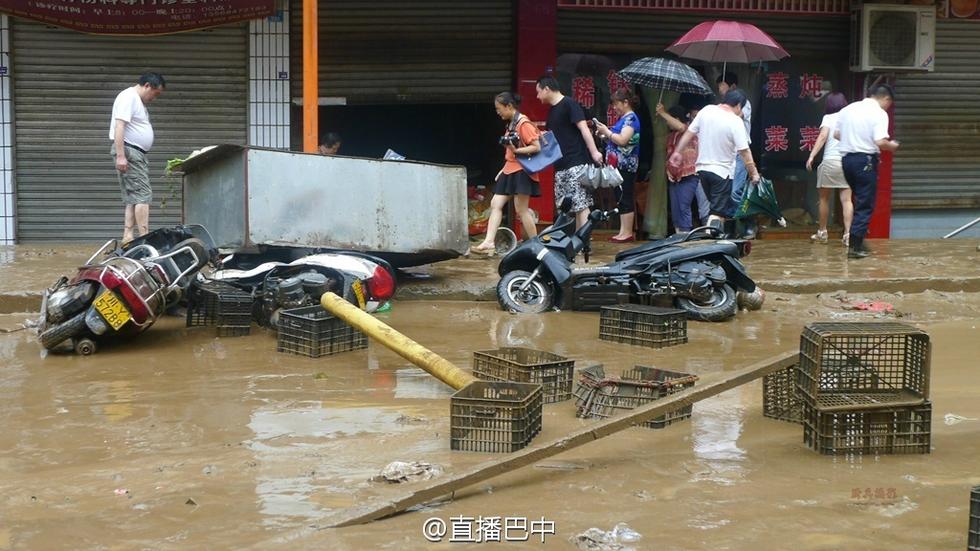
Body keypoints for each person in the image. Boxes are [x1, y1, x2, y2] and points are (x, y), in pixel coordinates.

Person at [669, 90, 761, 231]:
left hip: (702, 171)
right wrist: (753, 173)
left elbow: (689, 133)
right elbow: (745, 151)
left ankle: (719, 238)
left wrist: (677, 152)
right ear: (737, 106)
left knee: (719, 209)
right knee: (716, 213)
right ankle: (711, 239)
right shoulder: (735, 121)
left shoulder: (706, 111)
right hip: (722, 173)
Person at [470, 92, 542, 255]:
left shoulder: (523, 123)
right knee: (496, 203)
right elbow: (511, 153)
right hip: (510, 169)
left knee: (521, 209)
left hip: (522, 171)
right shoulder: (511, 124)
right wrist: (503, 169)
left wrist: (516, 151)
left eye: (499, 108)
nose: (498, 112)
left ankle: (536, 245)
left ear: (509, 106)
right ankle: (489, 242)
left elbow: (536, 146)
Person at [836, 83, 900, 259]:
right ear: (886, 99)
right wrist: (892, 146)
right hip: (865, 161)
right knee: (865, 203)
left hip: (846, 161)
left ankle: (859, 239)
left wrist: (853, 137)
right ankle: (855, 246)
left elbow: (836, 135)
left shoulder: (848, 109)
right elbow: (880, 142)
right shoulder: (879, 113)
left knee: (859, 199)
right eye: (889, 103)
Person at [535, 76, 604, 229]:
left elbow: (584, 129)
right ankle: (573, 242)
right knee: (565, 205)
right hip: (560, 165)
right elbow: (551, 138)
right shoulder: (552, 111)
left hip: (576, 162)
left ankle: (583, 242)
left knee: (581, 204)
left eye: (538, 92)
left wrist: (594, 153)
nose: (537, 96)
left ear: (547, 89)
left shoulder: (569, 104)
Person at [110, 72, 165, 242]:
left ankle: (128, 236)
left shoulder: (135, 100)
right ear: (148, 85)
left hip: (134, 152)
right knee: (143, 195)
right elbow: (120, 126)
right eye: (155, 94)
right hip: (129, 151)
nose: (153, 98)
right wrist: (121, 156)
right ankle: (144, 237)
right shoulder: (129, 97)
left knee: (133, 197)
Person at [805, 92, 853, 246]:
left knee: (824, 199)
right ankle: (847, 235)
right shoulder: (850, 118)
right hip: (847, 162)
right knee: (846, 200)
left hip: (831, 161)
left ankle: (822, 232)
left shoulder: (829, 118)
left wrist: (812, 156)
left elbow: (823, 136)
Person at [594, 89, 641, 242]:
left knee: (625, 196)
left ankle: (627, 232)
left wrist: (606, 131)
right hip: (618, 165)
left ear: (626, 102)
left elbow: (622, 140)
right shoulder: (624, 119)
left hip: (626, 165)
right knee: (620, 197)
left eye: (616, 104)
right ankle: (623, 231)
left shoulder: (631, 119)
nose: (614, 108)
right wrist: (604, 134)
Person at [717, 72, 755, 237]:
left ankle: (750, 220)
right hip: (726, 153)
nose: (719, 88)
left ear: (731, 86)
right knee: (726, 192)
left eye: (722, 84)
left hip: (741, 153)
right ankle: (731, 230)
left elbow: (736, 115)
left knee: (734, 191)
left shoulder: (744, 103)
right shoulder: (720, 106)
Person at [657, 103, 700, 234]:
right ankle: (678, 235)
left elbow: (681, 127)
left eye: (669, 119)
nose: (667, 123)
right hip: (674, 177)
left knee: (683, 206)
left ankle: (685, 235)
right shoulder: (671, 136)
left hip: (689, 175)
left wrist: (662, 113)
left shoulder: (689, 130)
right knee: (675, 208)